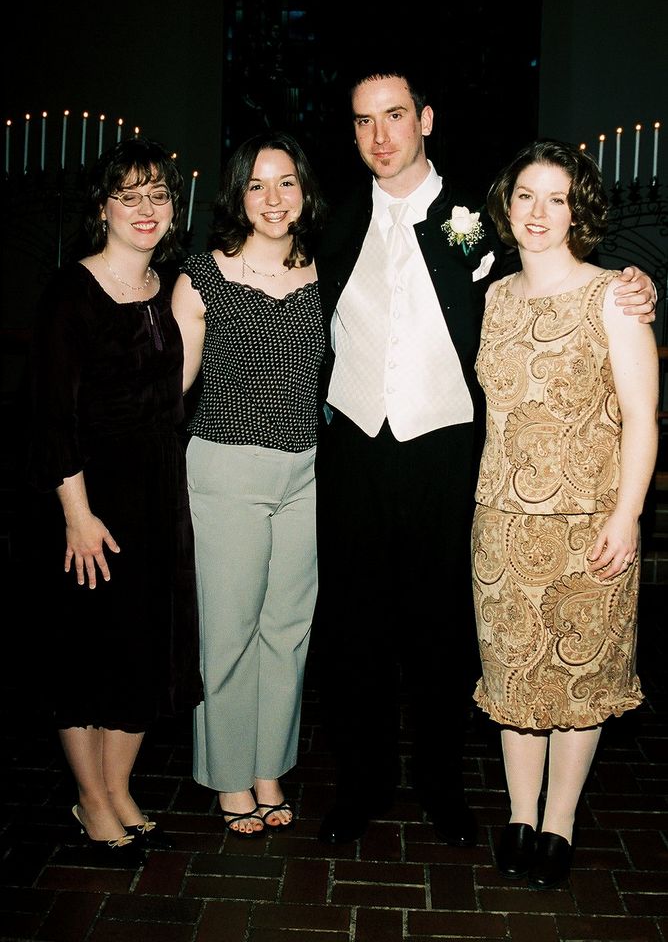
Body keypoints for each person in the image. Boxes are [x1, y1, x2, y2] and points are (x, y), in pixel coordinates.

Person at [312, 61, 658, 848]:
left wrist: (635, 285)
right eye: (364, 121)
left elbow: (558, 280)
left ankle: (442, 787)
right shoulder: (334, 223)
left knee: (444, 632)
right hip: (354, 453)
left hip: (448, 455)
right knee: (354, 631)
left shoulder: (476, 222)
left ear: (425, 120)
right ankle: (362, 785)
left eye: (395, 116)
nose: (380, 136)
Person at [472, 139, 658, 889]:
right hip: (502, 525)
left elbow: (642, 417)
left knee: (580, 683)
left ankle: (560, 823)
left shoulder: (614, 295)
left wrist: (627, 515)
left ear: (578, 210)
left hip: (590, 524)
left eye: (557, 198)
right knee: (515, 679)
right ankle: (520, 816)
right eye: (526, 195)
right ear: (506, 205)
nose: (538, 212)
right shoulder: (494, 297)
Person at [26, 137, 204, 865]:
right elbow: (50, 416)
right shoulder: (70, 292)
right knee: (86, 654)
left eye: (157, 195)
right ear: (102, 209)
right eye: (128, 196)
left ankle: (119, 787)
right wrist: (76, 514)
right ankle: (91, 798)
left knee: (142, 649)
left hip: (156, 496)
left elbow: (175, 393)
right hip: (89, 499)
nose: (145, 209)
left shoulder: (171, 289)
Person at [171, 131, 327, 836]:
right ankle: (231, 775)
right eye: (257, 184)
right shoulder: (201, 276)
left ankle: (270, 767)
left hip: (305, 470)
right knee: (229, 629)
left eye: (286, 182)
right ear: (237, 195)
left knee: (288, 629)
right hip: (226, 467)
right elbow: (172, 385)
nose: (273, 198)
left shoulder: (325, 272)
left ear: (304, 191)